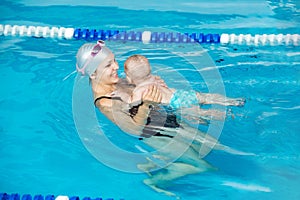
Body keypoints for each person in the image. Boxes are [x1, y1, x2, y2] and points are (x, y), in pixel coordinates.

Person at [75, 40, 249, 197]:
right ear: (93, 74)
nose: (116, 66)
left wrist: (154, 84)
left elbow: (145, 89)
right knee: (202, 166)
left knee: (216, 146)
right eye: (108, 65)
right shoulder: (105, 103)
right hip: (156, 134)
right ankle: (155, 180)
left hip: (168, 119)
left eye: (114, 60)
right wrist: (146, 104)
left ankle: (160, 161)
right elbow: (133, 129)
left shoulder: (117, 82)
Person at [122, 54, 245, 111]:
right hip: (181, 93)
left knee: (201, 114)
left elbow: (134, 104)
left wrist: (124, 102)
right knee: (206, 97)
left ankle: (219, 114)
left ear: (129, 78)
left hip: (175, 103)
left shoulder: (139, 90)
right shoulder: (155, 78)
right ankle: (232, 101)